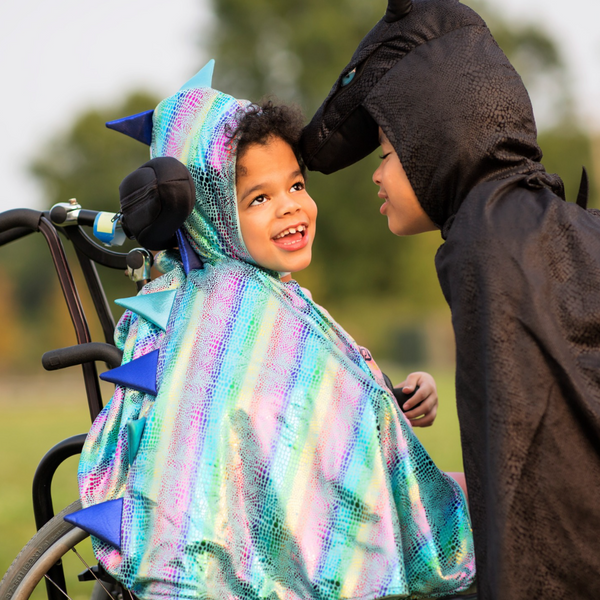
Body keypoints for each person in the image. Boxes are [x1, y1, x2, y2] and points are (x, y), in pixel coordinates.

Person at [76, 64, 476, 600]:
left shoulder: (251, 298)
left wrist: (395, 398)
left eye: (295, 184)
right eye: (258, 198)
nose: (291, 205)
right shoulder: (230, 306)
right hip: (284, 541)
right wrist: (376, 411)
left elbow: (328, 402)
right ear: (211, 215)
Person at [300, 0, 600, 598]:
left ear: (432, 140)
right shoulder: (532, 225)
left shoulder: (490, 246)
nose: (377, 176)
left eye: (386, 153)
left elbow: (534, 502)